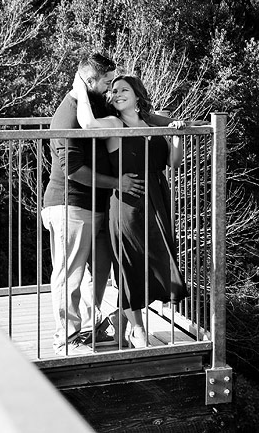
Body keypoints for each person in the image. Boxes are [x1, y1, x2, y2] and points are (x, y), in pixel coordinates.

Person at [72, 73, 189, 349]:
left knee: (158, 260)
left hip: (157, 198)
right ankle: (137, 329)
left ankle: (120, 319)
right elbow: (87, 124)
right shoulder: (114, 122)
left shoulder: (152, 122)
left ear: (137, 95)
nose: (116, 94)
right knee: (129, 265)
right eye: (112, 91)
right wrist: (79, 90)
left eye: (124, 89)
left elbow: (174, 162)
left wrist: (176, 135)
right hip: (127, 203)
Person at [41, 51, 142, 354]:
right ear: (89, 81)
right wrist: (117, 183)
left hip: (96, 206)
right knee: (69, 273)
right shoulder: (69, 113)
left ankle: (90, 327)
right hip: (69, 204)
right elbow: (73, 170)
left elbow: (135, 113)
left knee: (97, 273)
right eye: (107, 82)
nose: (111, 88)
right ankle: (66, 338)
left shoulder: (94, 107)